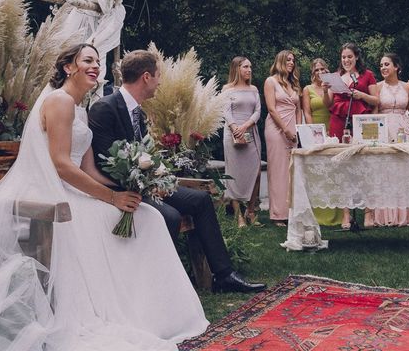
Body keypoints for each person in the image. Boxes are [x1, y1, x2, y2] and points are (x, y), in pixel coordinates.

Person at [0, 44, 208, 351]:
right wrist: (111, 200)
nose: (95, 65)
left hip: (75, 190)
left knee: (147, 216)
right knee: (140, 221)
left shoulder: (81, 109)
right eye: (87, 60)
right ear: (69, 67)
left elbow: (89, 170)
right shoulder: (59, 101)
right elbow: (60, 166)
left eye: (98, 61)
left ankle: (152, 314)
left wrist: (126, 192)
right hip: (53, 195)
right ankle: (128, 312)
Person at [89, 50, 266, 293]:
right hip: (124, 189)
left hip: (149, 182)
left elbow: (144, 152)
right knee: (171, 216)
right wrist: (144, 184)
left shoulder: (138, 111)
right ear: (147, 77)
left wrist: (157, 176)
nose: (160, 81)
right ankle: (161, 286)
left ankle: (224, 275)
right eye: (158, 76)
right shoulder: (104, 108)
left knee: (202, 200)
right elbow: (106, 161)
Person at [322, 42, 379, 229]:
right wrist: (324, 90)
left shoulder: (367, 75)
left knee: (366, 165)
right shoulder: (336, 77)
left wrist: (361, 95)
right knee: (344, 167)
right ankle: (346, 214)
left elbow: (376, 100)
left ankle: (368, 213)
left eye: (349, 57)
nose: (346, 60)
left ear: (356, 57)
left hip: (362, 121)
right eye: (343, 57)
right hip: (340, 120)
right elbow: (328, 104)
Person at [373, 53, 409, 227]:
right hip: (384, 129)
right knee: (385, 171)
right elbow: (374, 112)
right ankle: (385, 215)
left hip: (404, 128)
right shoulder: (377, 87)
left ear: (397, 67)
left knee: (405, 171)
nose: (383, 68)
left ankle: (407, 215)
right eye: (381, 65)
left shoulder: (407, 87)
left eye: (387, 64)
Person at [302, 58, 343, 226]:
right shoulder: (307, 89)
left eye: (323, 70)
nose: (320, 73)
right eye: (317, 70)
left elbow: (329, 105)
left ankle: (336, 214)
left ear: (327, 71)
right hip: (315, 130)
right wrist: (313, 132)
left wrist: (326, 90)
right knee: (317, 172)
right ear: (313, 72)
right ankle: (318, 213)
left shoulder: (333, 87)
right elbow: (307, 111)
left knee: (333, 171)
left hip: (332, 127)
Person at [222, 56, 262, 227]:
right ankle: (238, 215)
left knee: (256, 172)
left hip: (250, 131)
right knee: (234, 174)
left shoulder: (253, 89)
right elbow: (225, 110)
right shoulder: (227, 89)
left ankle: (251, 211)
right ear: (237, 68)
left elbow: (258, 111)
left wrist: (245, 126)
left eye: (250, 67)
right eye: (246, 67)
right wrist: (234, 127)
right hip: (232, 133)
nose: (249, 70)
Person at [264, 50, 301, 227]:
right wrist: (285, 129)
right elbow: (271, 109)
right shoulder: (270, 82)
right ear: (279, 61)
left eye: (293, 60)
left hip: (292, 128)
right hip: (276, 129)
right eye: (288, 60)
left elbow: (298, 109)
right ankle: (278, 214)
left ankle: (291, 211)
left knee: (291, 170)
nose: (291, 62)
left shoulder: (294, 83)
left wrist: (299, 130)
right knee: (278, 170)